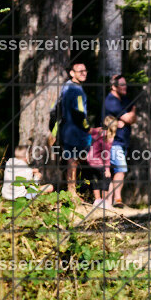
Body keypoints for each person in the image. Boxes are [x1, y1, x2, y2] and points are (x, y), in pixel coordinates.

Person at [100, 74, 137, 206]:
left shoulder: (123, 100)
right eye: (121, 84)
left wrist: (130, 115)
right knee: (120, 169)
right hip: (113, 142)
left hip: (122, 142)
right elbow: (129, 118)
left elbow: (132, 118)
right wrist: (129, 116)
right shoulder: (112, 101)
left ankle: (109, 202)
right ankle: (117, 199)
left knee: (115, 171)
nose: (125, 86)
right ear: (113, 86)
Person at [58, 62, 90, 198]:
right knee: (74, 159)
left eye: (85, 70)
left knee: (71, 159)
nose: (83, 73)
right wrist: (87, 128)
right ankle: (72, 191)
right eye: (79, 71)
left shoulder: (65, 87)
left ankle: (71, 189)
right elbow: (79, 111)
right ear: (72, 73)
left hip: (66, 129)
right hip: (74, 131)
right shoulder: (76, 89)